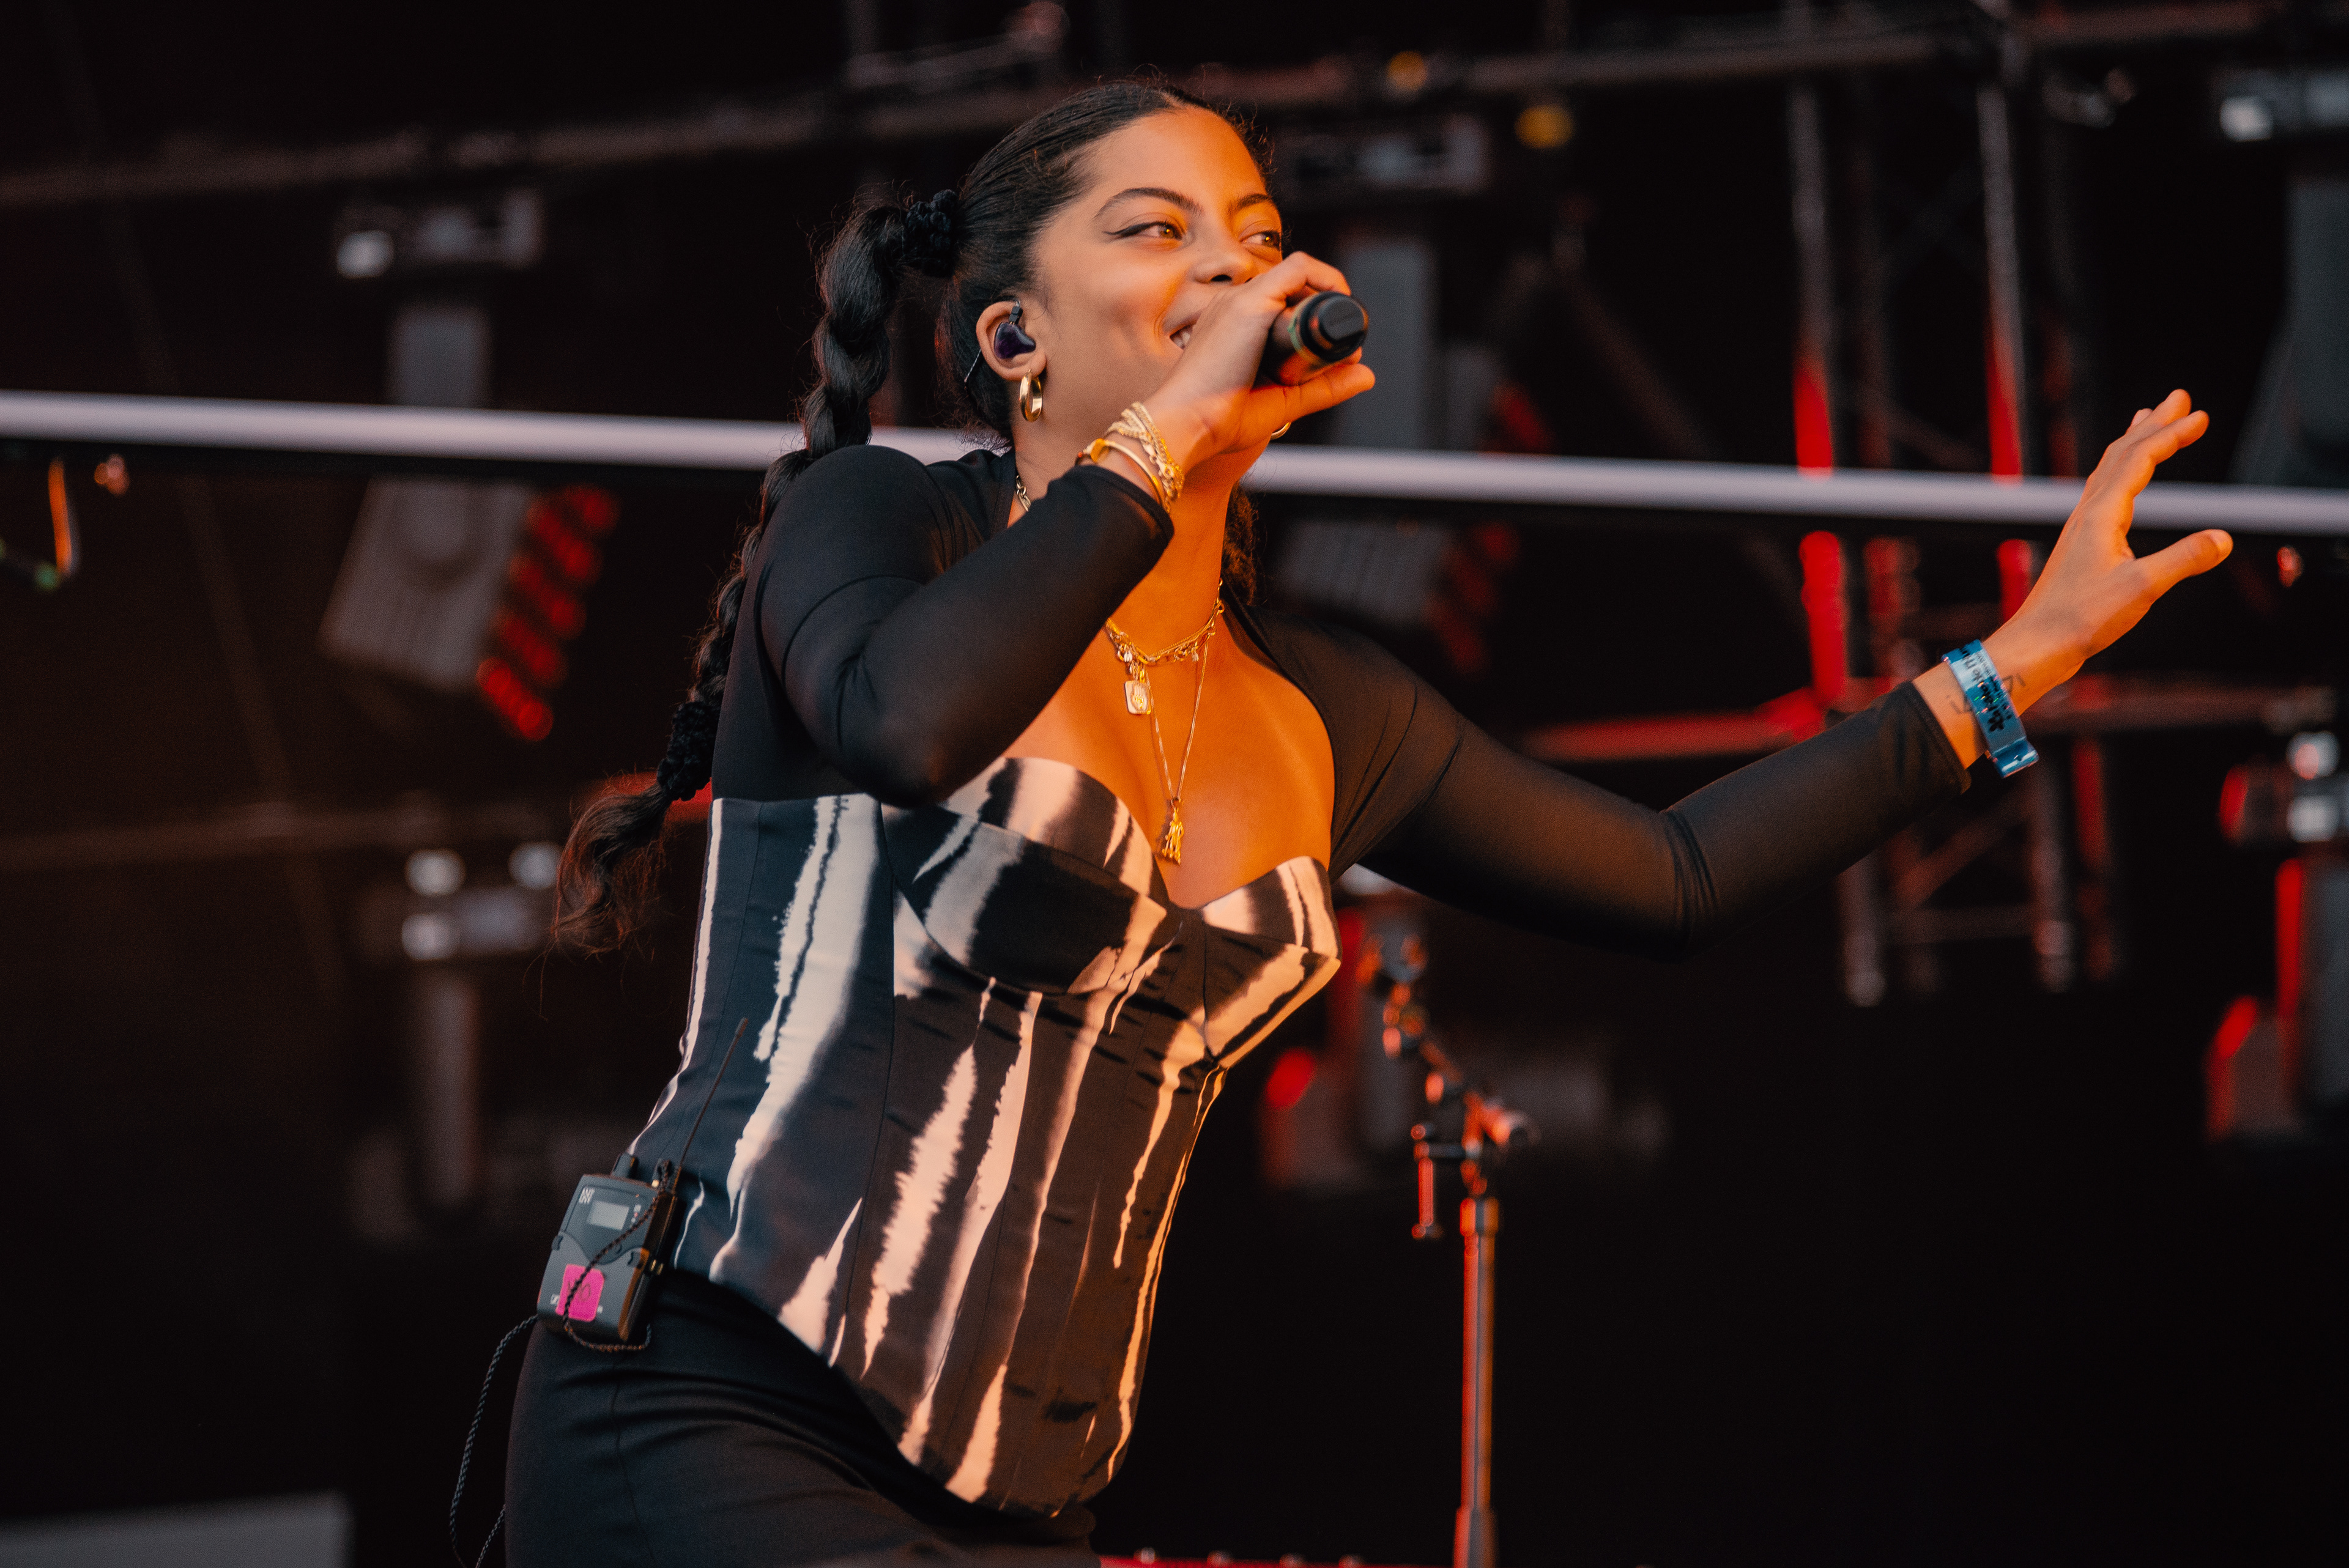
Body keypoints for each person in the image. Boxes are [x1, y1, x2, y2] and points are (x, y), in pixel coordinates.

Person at [506, 78, 2231, 1568]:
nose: (1230, 268)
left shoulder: (1322, 708)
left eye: (1254, 235)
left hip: (1018, 1509)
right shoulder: (880, 520)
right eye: (1156, 231)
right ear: (1013, 338)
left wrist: (2019, 662)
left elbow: (1678, 877)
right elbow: (911, 722)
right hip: (712, 1407)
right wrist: (1162, 444)